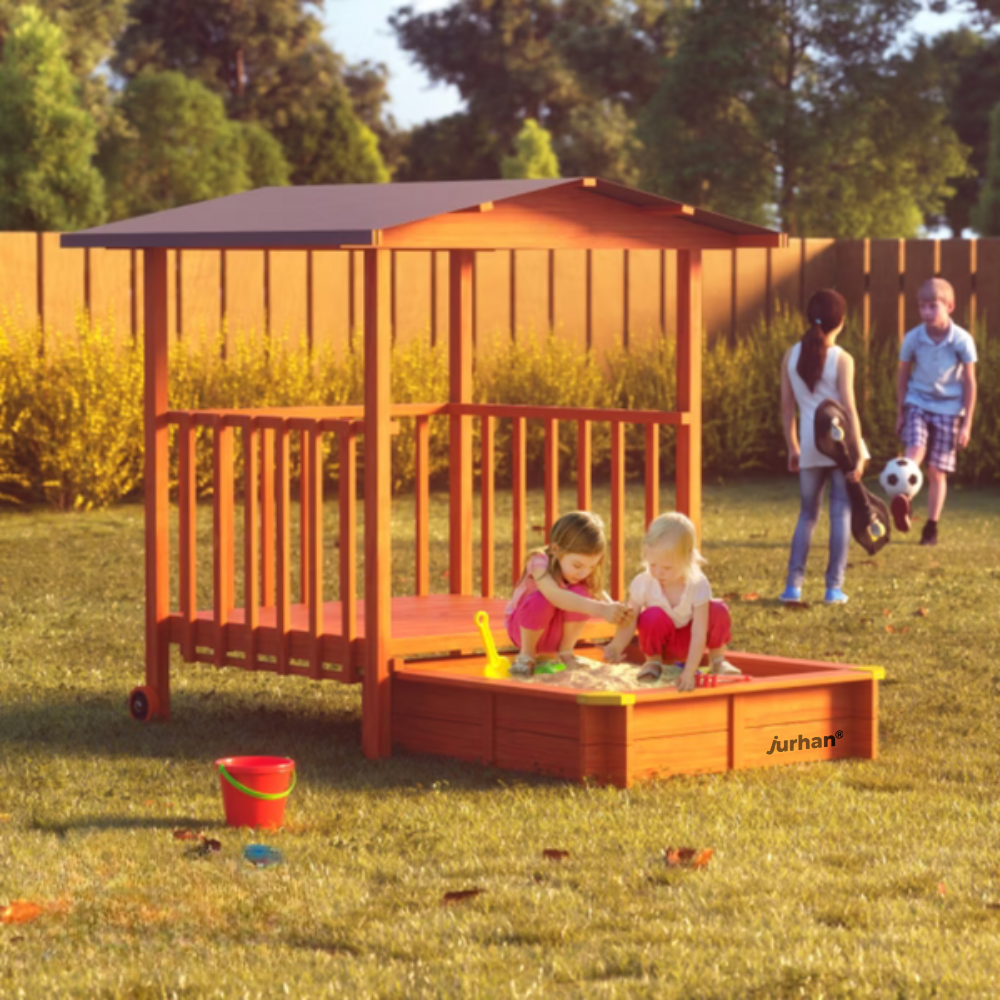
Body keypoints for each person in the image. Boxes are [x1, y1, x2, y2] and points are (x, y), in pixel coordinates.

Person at [779, 288, 867, 606]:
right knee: (840, 513)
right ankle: (833, 589)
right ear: (841, 321)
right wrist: (859, 453)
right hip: (839, 446)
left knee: (807, 515)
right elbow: (850, 409)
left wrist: (793, 446)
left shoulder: (791, 356)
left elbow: (786, 407)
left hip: (809, 446)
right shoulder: (842, 359)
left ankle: (793, 587)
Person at [602, 512, 739, 693]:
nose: (658, 572)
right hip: (663, 645)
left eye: (667, 567)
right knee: (651, 615)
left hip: (691, 642)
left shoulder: (697, 584)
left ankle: (717, 660)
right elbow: (630, 621)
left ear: (687, 558)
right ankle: (653, 662)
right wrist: (616, 646)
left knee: (718, 609)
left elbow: (699, 632)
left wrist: (689, 671)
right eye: (652, 564)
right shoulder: (644, 582)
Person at [892, 278, 977, 546]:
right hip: (917, 402)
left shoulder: (962, 340)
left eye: (932, 306)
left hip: (949, 409)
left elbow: (970, 382)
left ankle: (931, 527)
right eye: (922, 306)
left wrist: (967, 423)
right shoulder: (913, 338)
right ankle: (904, 500)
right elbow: (903, 375)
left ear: (950, 306)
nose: (926, 312)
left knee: (936, 471)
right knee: (914, 451)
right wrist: (901, 412)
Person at [505, 510, 631, 675]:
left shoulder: (581, 572)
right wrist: (601, 609)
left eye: (591, 567)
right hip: (523, 632)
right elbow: (554, 595)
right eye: (577, 566)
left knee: (582, 591)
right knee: (542, 599)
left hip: (556, 636)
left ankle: (566, 652)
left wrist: (617, 611)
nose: (584, 573)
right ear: (556, 549)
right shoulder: (538, 561)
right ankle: (526, 656)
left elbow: (598, 592)